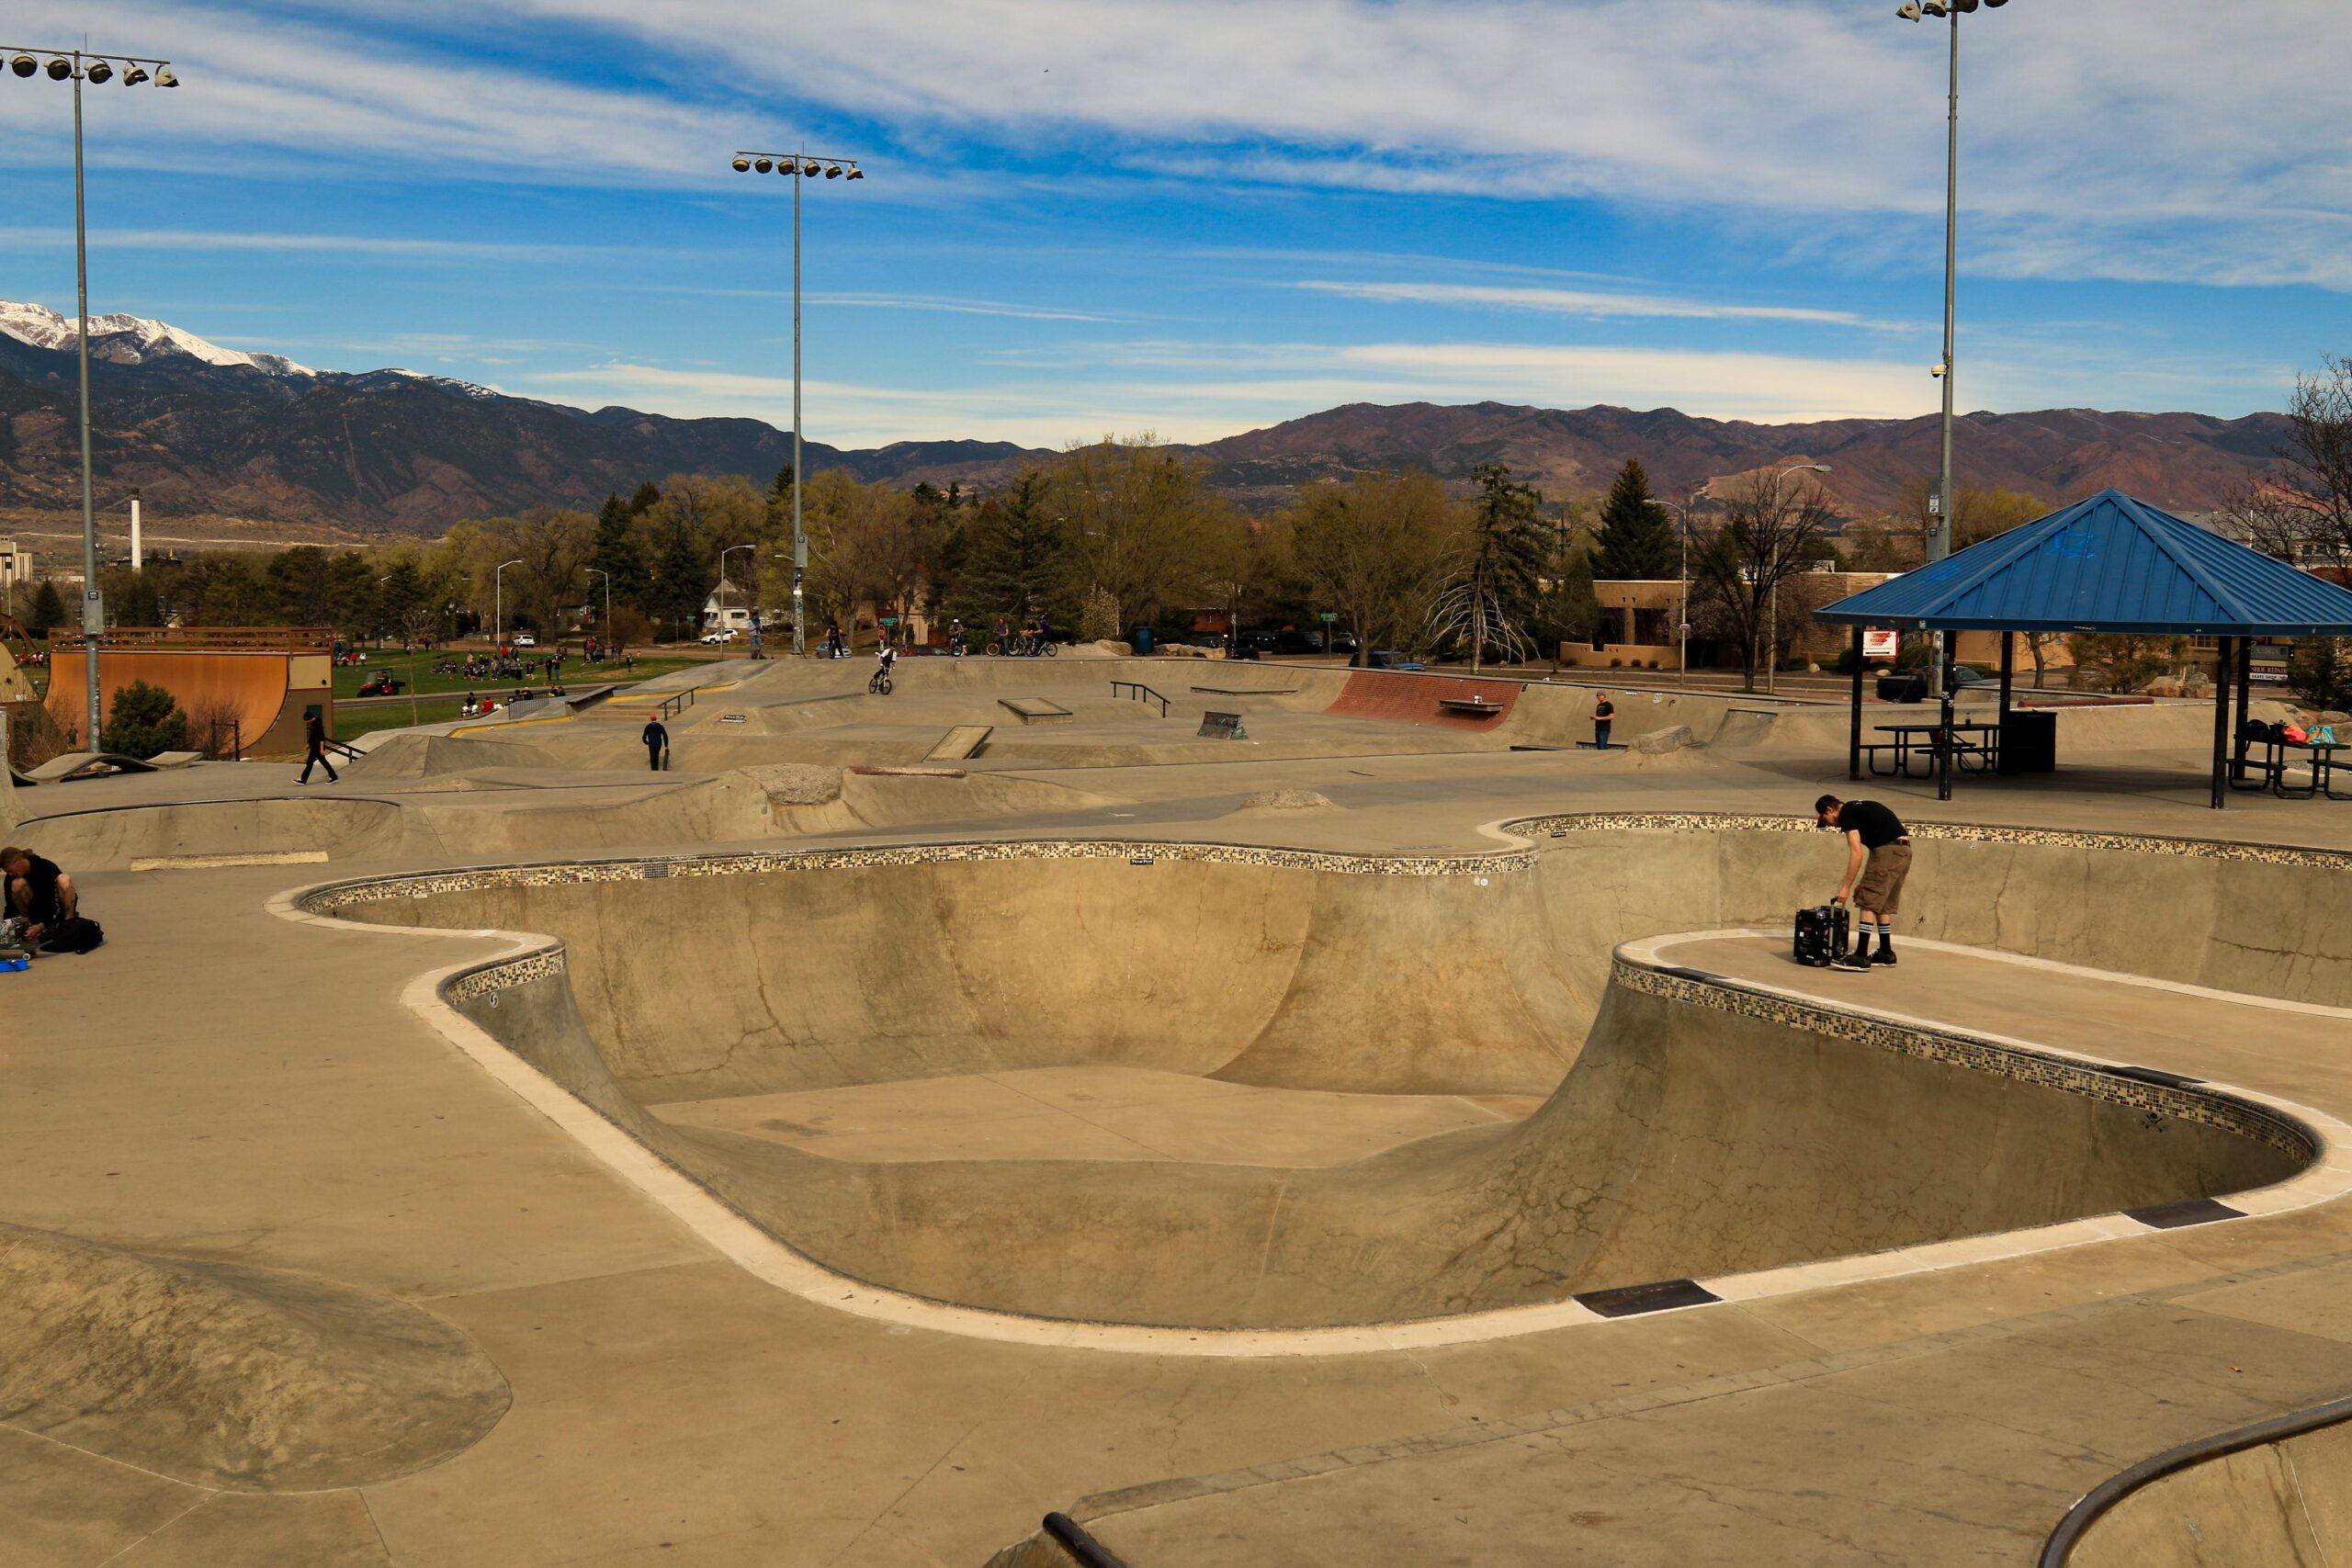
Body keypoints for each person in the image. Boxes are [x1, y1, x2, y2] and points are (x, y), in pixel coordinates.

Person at [1815, 795, 1909, 971]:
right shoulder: (1858, 808)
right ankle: (1886, 953)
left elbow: (1857, 853)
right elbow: (1876, 854)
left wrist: (1845, 887)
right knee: (1883, 904)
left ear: (1829, 810)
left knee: (1868, 902)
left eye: (1825, 820)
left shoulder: (1847, 813)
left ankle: (1860, 956)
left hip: (1887, 851)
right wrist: (1864, 881)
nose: (1830, 825)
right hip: (1903, 852)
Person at [1, 844, 75, 953]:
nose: (11, 874)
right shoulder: (11, 878)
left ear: (19, 860)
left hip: (56, 911)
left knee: (64, 879)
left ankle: (69, 924)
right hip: (35, 916)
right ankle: (27, 927)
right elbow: (10, 906)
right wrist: (7, 930)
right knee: (17, 884)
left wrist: (41, 926)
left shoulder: (45, 867)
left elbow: (53, 904)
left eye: (11, 870)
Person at [299, 707, 338, 784]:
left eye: (306, 720)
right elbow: (313, 737)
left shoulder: (318, 725)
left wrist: (321, 749)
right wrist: (308, 744)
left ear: (309, 718)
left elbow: (321, 738)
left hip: (317, 747)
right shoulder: (313, 724)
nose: (306, 722)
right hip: (314, 746)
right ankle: (334, 777)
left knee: (310, 763)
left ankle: (303, 780)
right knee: (324, 762)